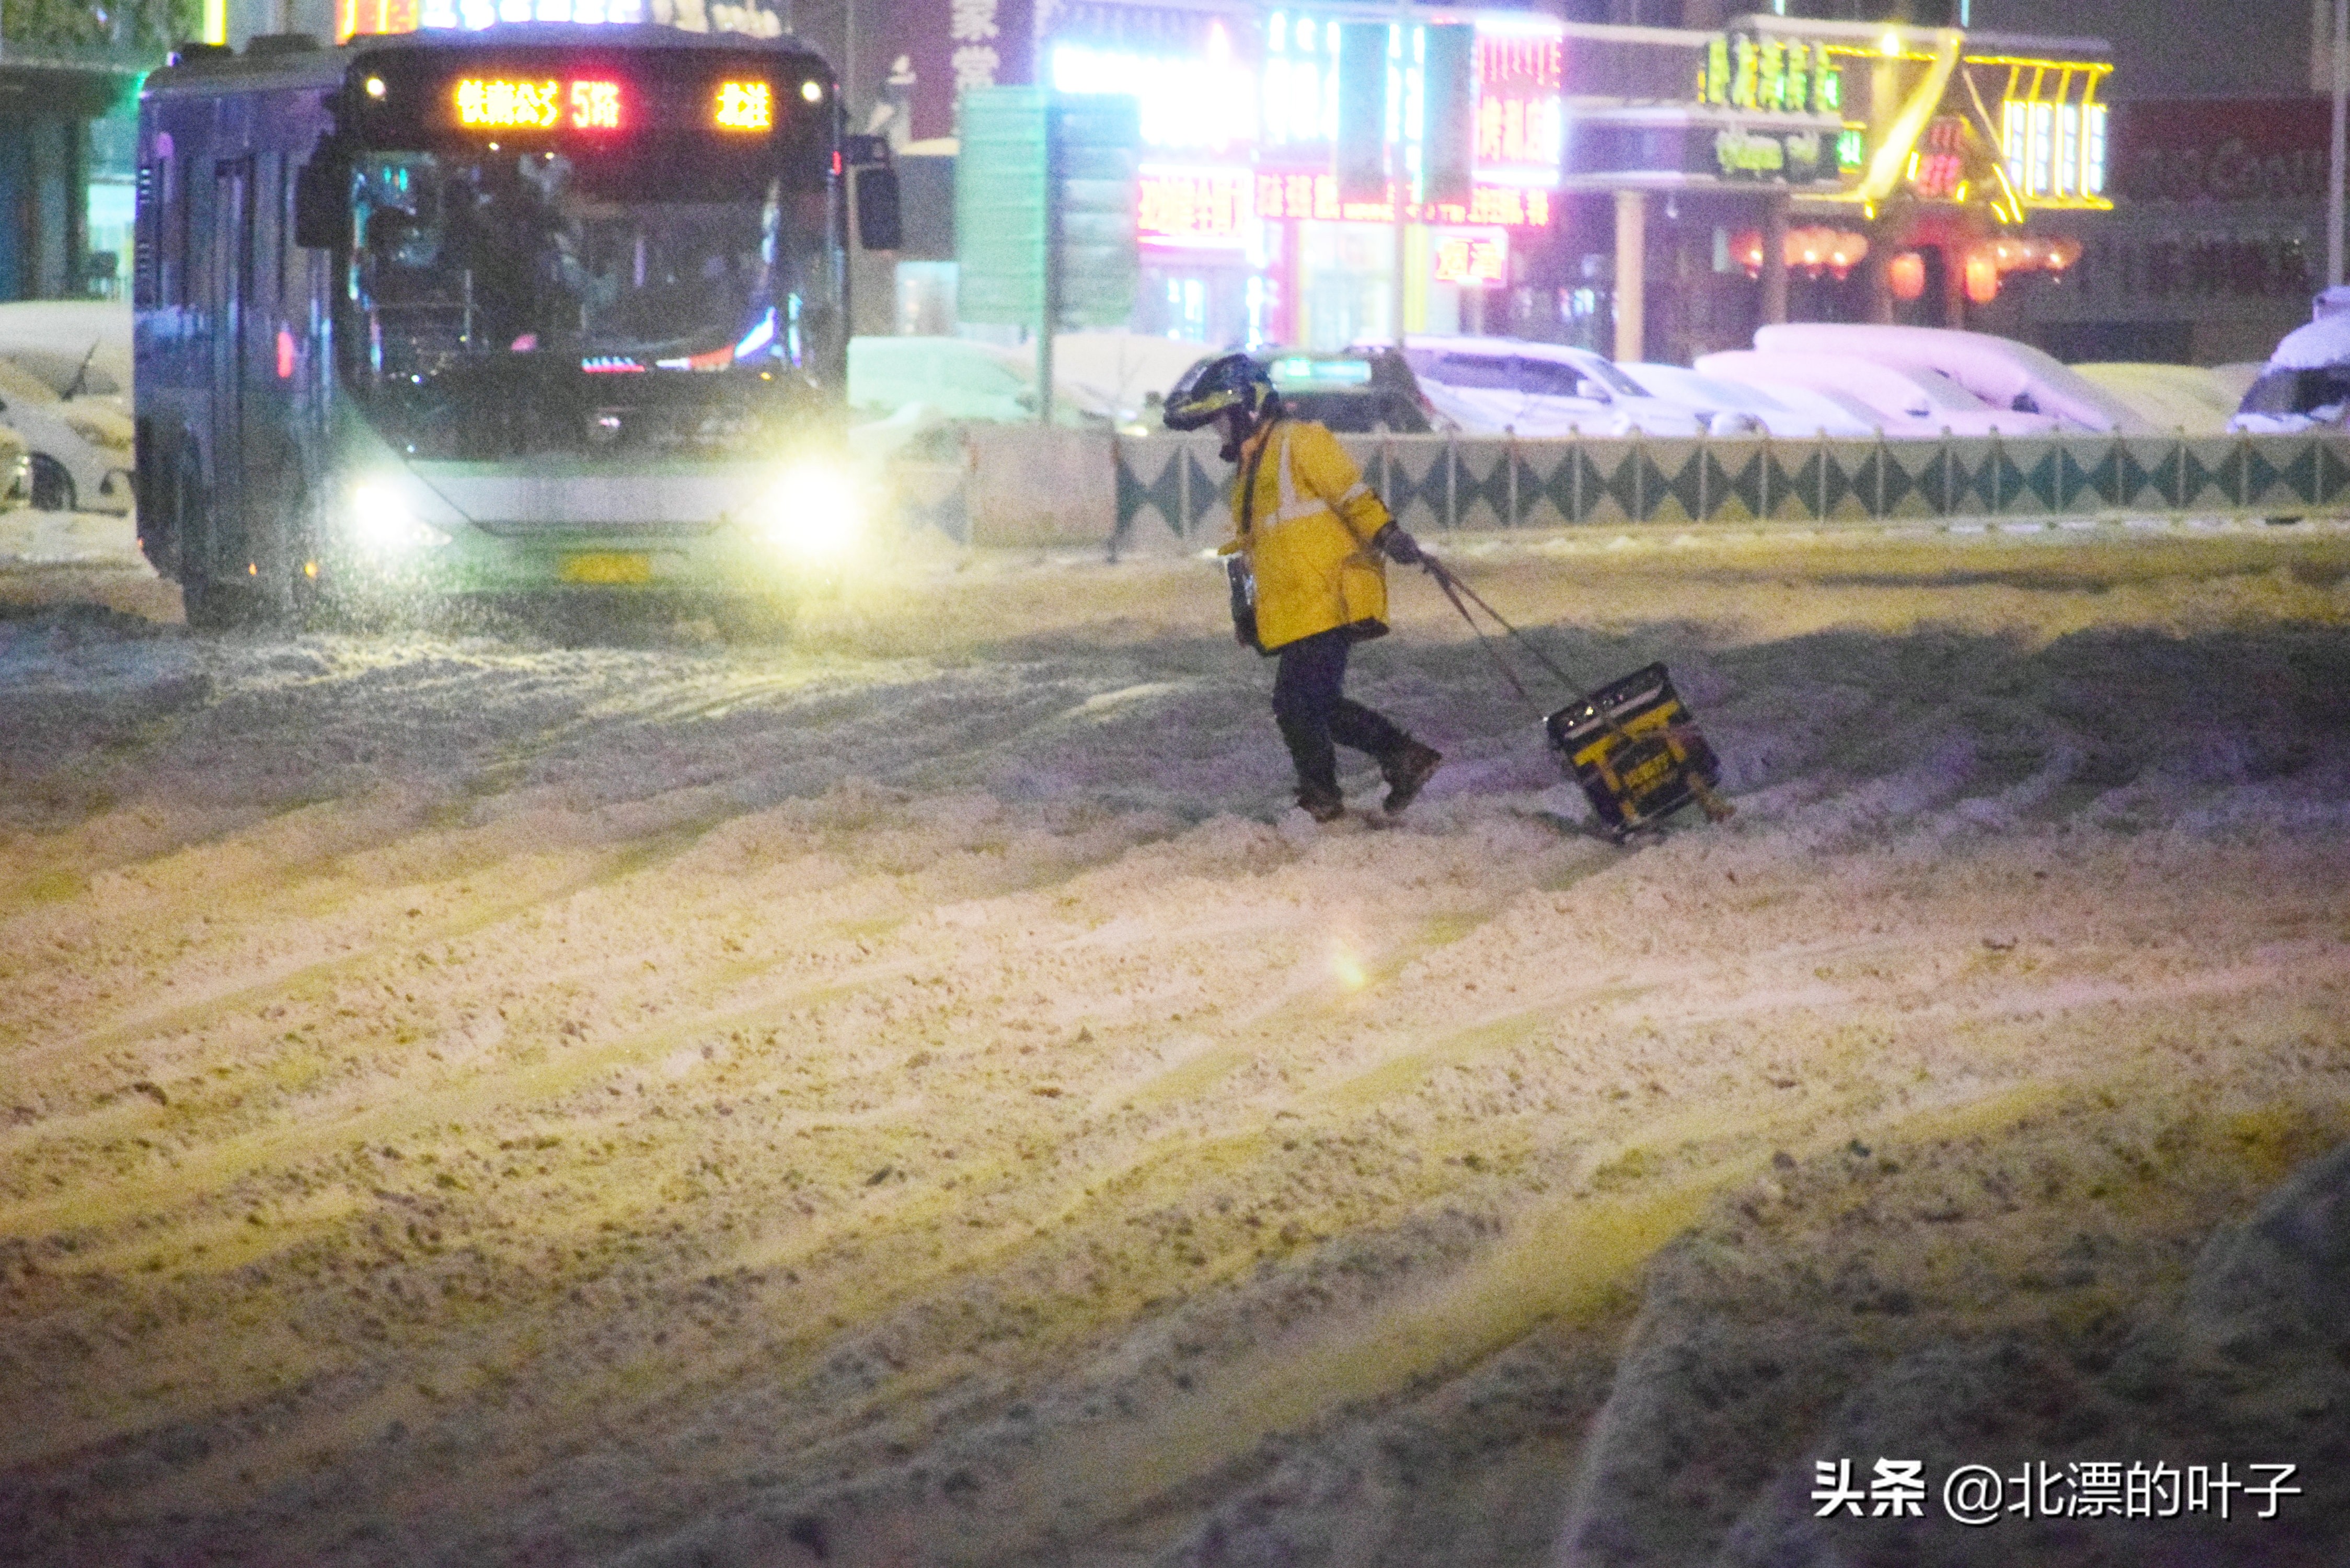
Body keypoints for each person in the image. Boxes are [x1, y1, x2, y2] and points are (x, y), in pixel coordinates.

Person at [1164, 352, 1443, 823]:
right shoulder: (1252, 468)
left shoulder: (1301, 442)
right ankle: (1402, 757)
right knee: (1314, 705)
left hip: (1326, 598)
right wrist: (1245, 611)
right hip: (1295, 607)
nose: (1218, 432)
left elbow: (1353, 498)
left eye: (1219, 420)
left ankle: (1324, 797)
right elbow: (1250, 550)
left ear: (1246, 409)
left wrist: (1389, 536)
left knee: (1297, 705)